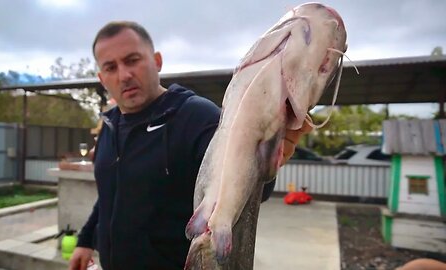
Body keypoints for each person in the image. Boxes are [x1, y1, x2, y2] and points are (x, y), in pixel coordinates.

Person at [68, 21, 312, 270]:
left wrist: (263, 162)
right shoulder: (110, 125)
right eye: (111, 67)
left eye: (132, 60)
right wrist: (85, 240)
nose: (124, 75)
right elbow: (110, 193)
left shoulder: (196, 116)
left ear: (157, 61)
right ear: (101, 78)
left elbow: (239, 188)